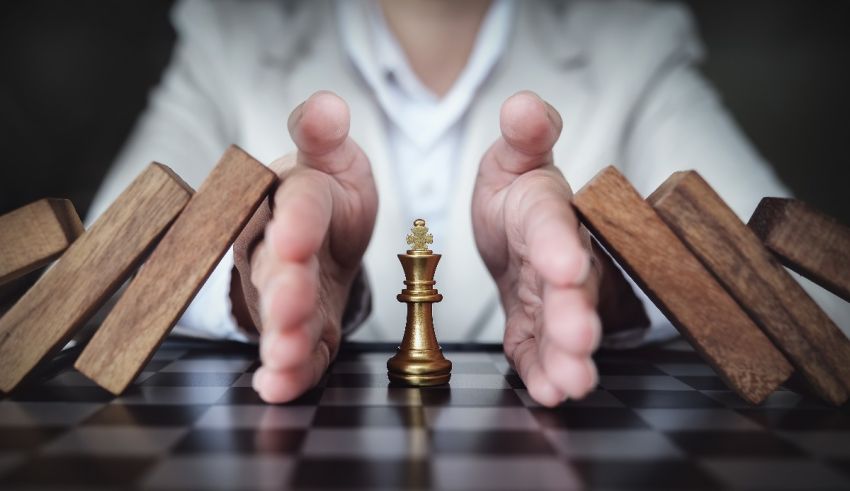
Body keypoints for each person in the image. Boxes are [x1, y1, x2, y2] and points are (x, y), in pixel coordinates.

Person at [89, 0, 847, 407]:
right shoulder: (225, 34)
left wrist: (610, 288)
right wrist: (248, 283)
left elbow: (818, 307)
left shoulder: (633, 41)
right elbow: (97, 280)